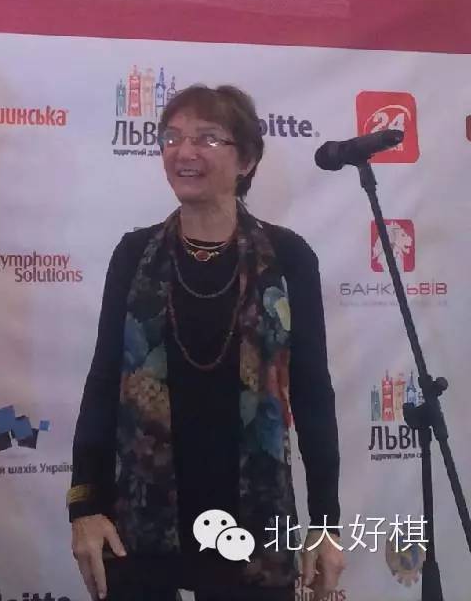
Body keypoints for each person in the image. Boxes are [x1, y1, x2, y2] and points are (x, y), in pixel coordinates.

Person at [68, 84, 344, 601]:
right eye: (172, 137)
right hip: (142, 519)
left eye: (207, 138)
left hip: (254, 520)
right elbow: (103, 383)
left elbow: (311, 392)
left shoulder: (287, 257)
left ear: (247, 160)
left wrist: (326, 523)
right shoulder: (134, 255)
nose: (184, 151)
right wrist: (84, 506)